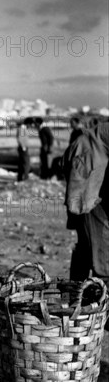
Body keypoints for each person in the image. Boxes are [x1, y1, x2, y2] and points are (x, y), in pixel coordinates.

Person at [63, 120, 109, 286]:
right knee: (98, 240)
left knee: (87, 241)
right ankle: (97, 291)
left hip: (92, 163)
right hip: (88, 165)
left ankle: (74, 291)